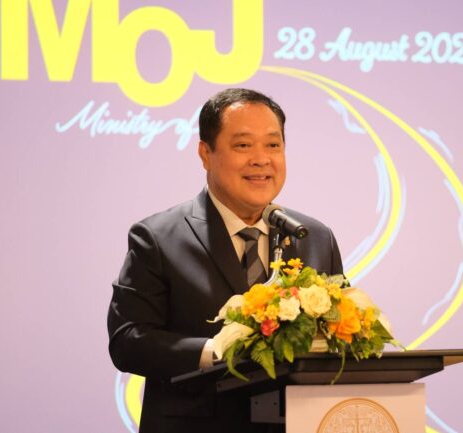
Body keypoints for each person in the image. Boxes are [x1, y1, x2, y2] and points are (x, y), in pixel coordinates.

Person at [107, 88, 344, 433]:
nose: (261, 159)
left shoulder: (314, 237)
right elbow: (128, 341)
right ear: (206, 153)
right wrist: (216, 351)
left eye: (273, 145)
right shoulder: (157, 238)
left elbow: (338, 334)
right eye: (243, 145)